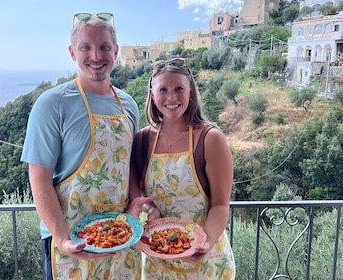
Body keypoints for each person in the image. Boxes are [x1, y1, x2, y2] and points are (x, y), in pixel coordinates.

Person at [21, 12, 143, 280]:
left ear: (116, 51)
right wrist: (63, 239)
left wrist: (134, 205)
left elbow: (130, 164)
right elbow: (39, 178)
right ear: (72, 52)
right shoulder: (52, 104)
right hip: (71, 239)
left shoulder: (129, 105)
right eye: (86, 47)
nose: (96, 56)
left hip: (120, 238)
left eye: (104, 47)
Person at [132, 58, 235, 279]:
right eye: (163, 90)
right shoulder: (142, 140)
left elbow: (220, 205)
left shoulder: (211, 139)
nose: (171, 97)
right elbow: (140, 195)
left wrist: (204, 243)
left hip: (206, 263)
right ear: (152, 95)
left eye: (179, 88)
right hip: (157, 262)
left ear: (190, 92)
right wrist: (149, 211)